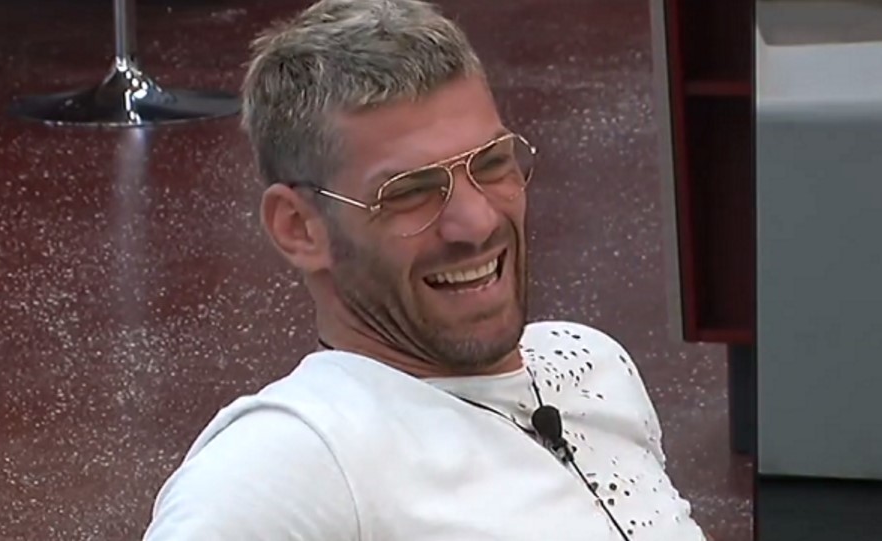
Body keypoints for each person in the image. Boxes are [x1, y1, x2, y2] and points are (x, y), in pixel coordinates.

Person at [142, 1, 708, 539]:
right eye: (410, 192)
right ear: (299, 228)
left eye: (493, 164)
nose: (477, 222)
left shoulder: (591, 364)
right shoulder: (295, 461)